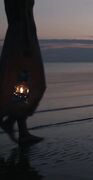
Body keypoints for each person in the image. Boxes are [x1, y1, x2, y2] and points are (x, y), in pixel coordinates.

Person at [0, 0, 46, 145]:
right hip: (23, 40)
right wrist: (27, 45)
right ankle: (12, 122)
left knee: (21, 87)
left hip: (18, 38)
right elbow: (22, 17)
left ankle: (22, 131)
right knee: (34, 85)